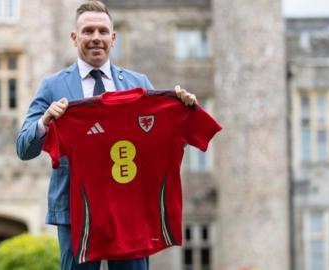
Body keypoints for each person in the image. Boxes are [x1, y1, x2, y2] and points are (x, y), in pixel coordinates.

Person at [16, 1, 196, 269]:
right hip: (76, 208)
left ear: (113, 38)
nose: (96, 38)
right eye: (88, 31)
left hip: (129, 207)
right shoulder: (53, 86)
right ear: (74, 38)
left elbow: (159, 140)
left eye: (102, 31)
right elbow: (23, 147)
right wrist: (45, 122)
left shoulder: (138, 84)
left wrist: (183, 110)